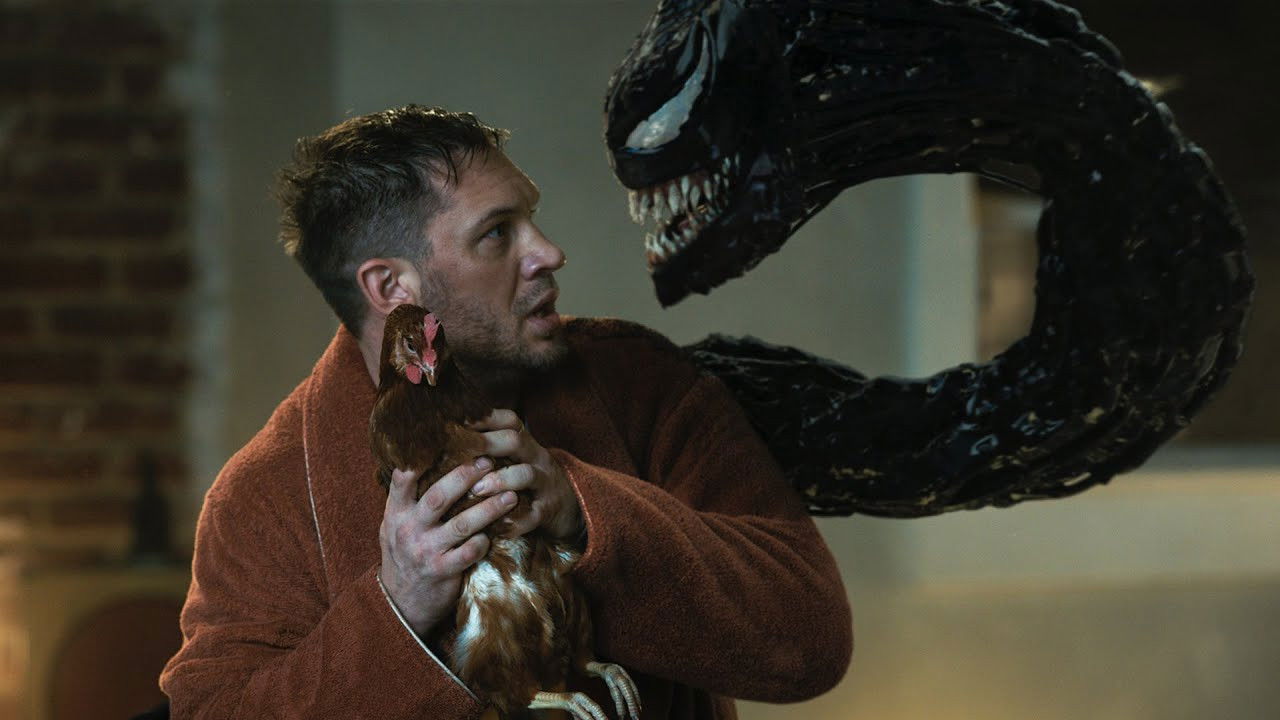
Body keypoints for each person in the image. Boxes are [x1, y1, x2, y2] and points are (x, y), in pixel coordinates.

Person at [160, 105, 852, 719]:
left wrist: (583, 512)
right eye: (497, 234)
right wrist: (397, 608)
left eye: (531, 218)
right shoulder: (267, 493)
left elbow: (810, 641)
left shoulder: (643, 382)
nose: (549, 253)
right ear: (391, 286)